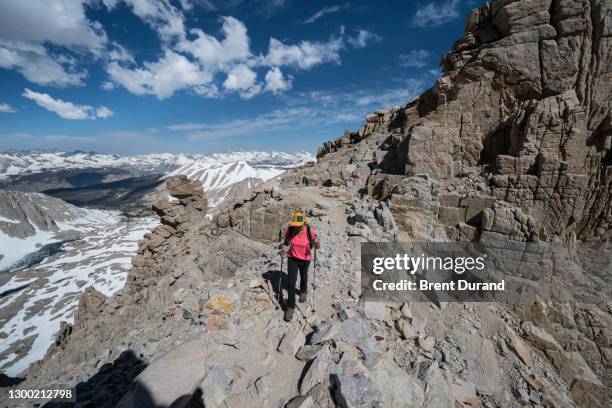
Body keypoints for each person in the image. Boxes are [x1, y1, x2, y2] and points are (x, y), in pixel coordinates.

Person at [280, 211, 320, 321]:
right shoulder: (290, 229)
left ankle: (303, 291)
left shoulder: (310, 231)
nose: (297, 228)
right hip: (292, 257)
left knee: (304, 276)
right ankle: (290, 307)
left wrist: (316, 242)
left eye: (299, 226)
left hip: (305, 259)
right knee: (291, 282)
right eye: (296, 226)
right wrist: (284, 247)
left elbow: (318, 246)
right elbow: (286, 242)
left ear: (304, 223)